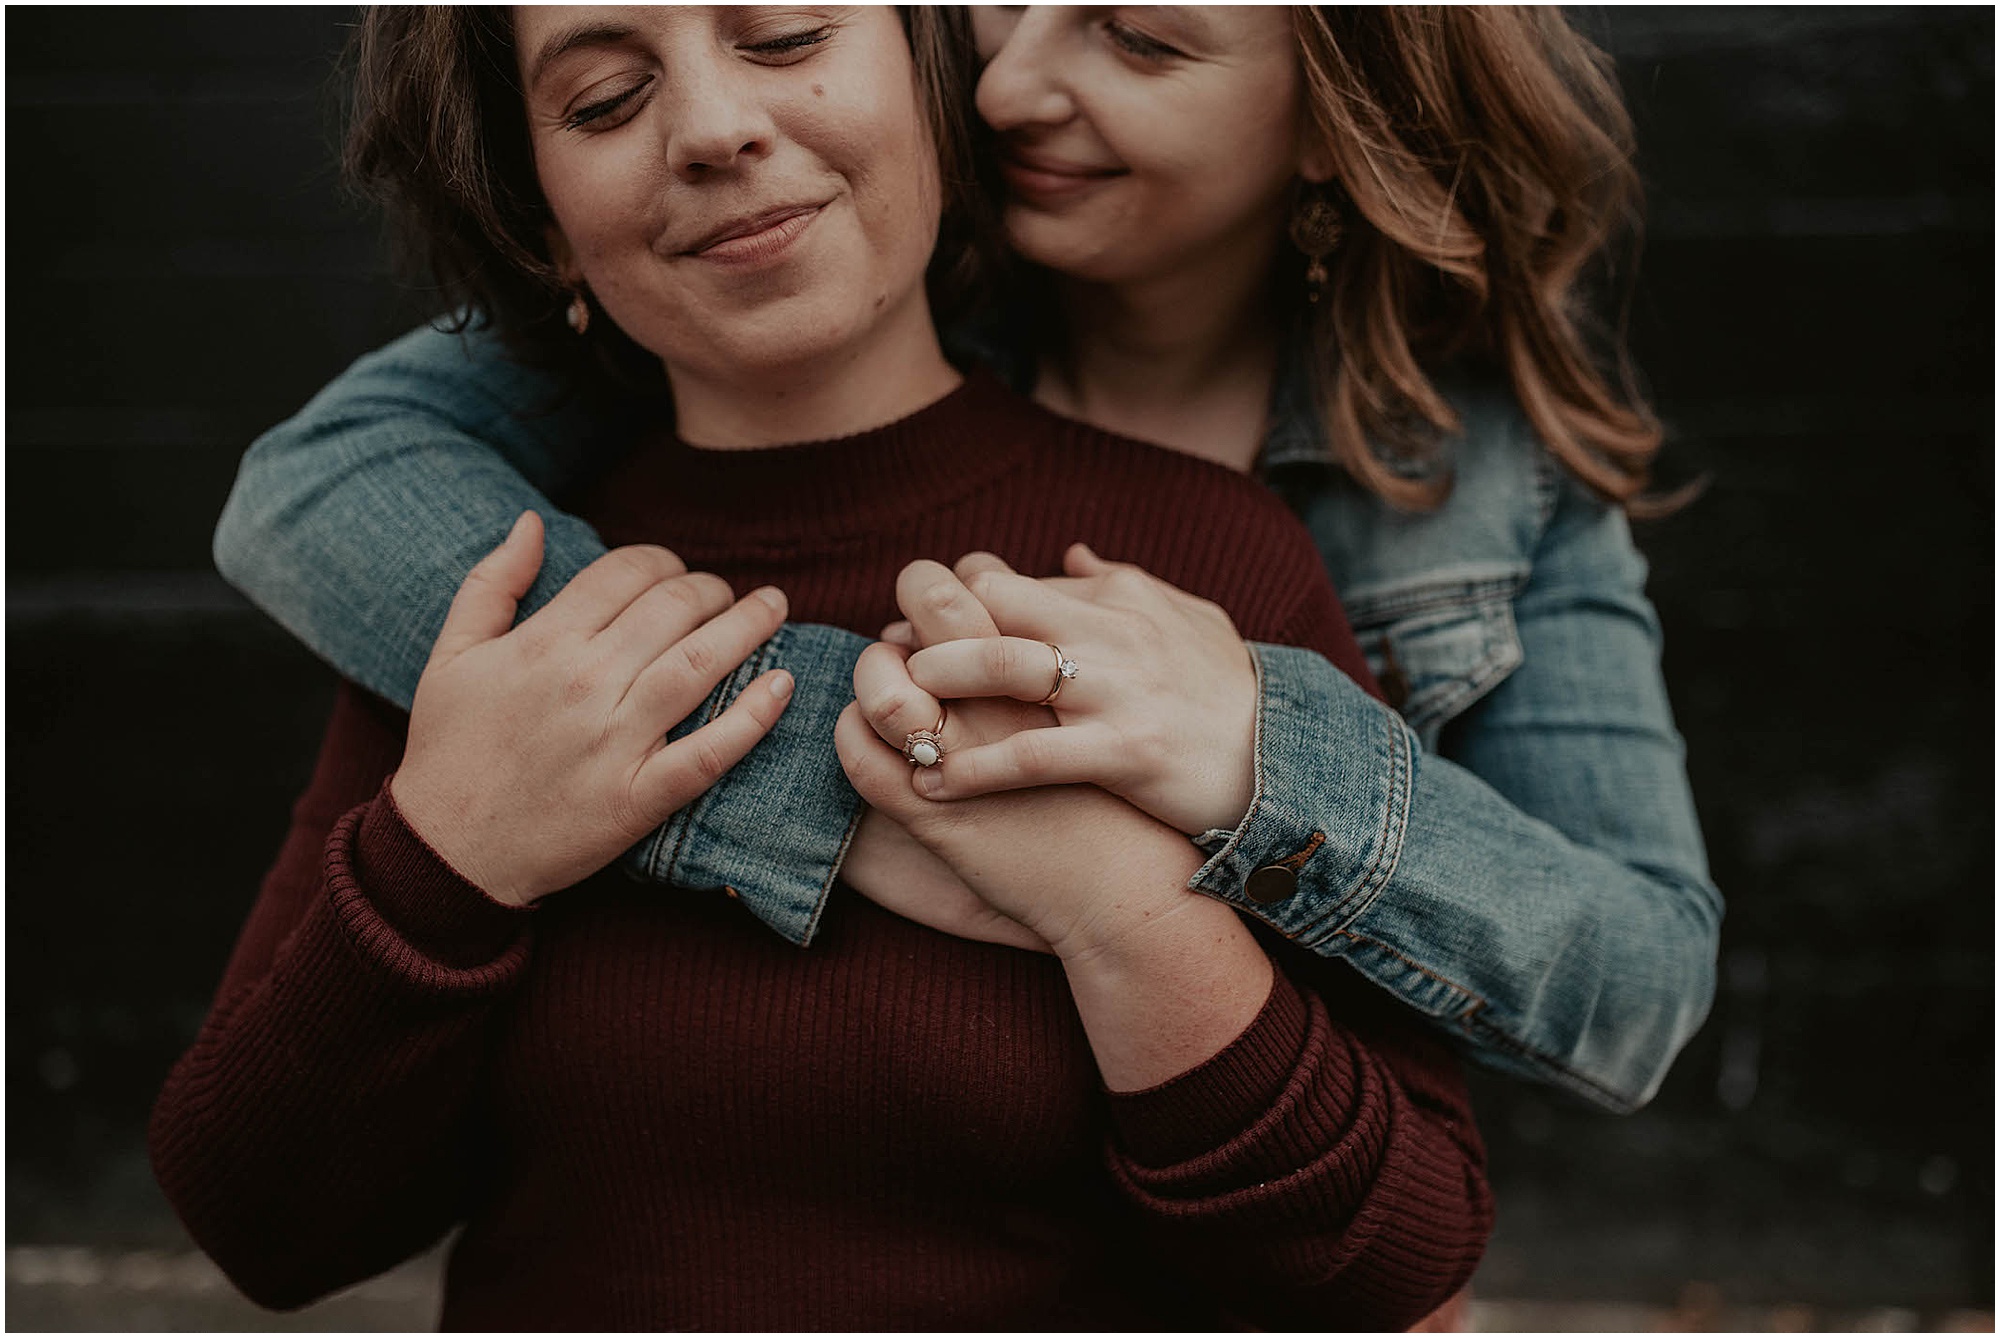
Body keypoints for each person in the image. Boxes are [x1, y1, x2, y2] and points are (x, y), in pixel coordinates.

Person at [152, 8, 1490, 1329]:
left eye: (786, 36)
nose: (716, 129)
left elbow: (1396, 1262)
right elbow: (263, 1226)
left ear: (925, 81)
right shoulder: (507, 606)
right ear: (545, 219)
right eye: (607, 100)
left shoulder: (1204, 571)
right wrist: (450, 857)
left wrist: (1125, 915)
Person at [213, 5, 1722, 1115]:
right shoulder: (833, 267)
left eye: (1133, 39)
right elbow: (316, 485)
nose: (1004, 81)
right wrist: (846, 762)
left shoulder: (1476, 477)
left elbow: (1640, 985)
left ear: (1337, 119)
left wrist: (1261, 750)